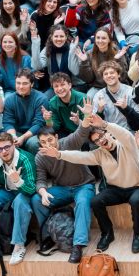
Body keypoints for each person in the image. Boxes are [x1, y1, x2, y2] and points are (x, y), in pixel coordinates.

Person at [47, 111, 139, 253]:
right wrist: (59, 154)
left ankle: (138, 235)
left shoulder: (126, 144)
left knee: (136, 201)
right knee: (95, 201)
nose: (100, 141)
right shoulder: (99, 154)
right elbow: (80, 156)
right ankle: (107, 233)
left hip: (136, 186)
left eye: (101, 136)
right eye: (96, 141)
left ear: (108, 133)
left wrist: (105, 124)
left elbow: (124, 134)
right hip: (116, 189)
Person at [32, 99, 95, 263]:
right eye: (43, 142)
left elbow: (81, 132)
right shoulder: (40, 157)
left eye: (50, 140)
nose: (48, 144)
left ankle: (78, 246)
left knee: (82, 203)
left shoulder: (68, 143)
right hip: (63, 189)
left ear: (57, 137)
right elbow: (40, 179)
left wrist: (87, 116)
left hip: (83, 186)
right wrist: (43, 191)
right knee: (37, 199)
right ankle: (47, 235)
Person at [0, 131, 37, 266]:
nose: (4, 151)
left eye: (7, 147)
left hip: (24, 192)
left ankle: (19, 245)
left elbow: (31, 188)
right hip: (7, 191)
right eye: (0, 149)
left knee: (20, 202)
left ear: (13, 145)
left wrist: (18, 181)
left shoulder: (25, 158)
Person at [1, 69, 47, 154]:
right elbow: (7, 122)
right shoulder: (10, 99)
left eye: (25, 83)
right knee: (3, 142)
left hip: (35, 133)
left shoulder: (41, 99)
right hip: (16, 132)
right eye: (18, 83)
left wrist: (23, 137)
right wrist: (13, 136)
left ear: (32, 84)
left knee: (32, 143)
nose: (21, 86)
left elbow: (39, 124)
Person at [91, 60, 139, 131]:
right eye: (105, 74)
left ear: (118, 74)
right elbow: (95, 125)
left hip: (130, 133)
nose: (109, 75)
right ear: (103, 78)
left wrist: (126, 108)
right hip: (110, 134)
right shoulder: (99, 95)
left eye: (112, 73)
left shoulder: (131, 91)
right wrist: (100, 111)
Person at [43, 71, 87, 138]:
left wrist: (78, 121)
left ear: (69, 85)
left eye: (62, 84)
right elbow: (55, 127)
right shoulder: (52, 102)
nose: (60, 89)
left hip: (83, 131)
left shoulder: (83, 99)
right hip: (66, 133)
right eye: (56, 86)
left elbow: (89, 125)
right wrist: (48, 120)